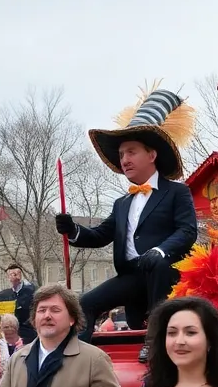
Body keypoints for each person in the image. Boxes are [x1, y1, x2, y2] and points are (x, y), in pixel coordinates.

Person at [55, 88, 199, 359]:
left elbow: (187, 231)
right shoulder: (122, 202)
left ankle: (155, 343)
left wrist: (160, 251)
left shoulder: (176, 192)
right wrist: (72, 229)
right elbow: (100, 235)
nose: (124, 160)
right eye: (121, 155)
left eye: (131, 152)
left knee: (156, 263)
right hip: (132, 276)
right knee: (86, 303)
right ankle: (76, 357)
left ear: (152, 155)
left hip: (166, 273)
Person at [0, 284, 125, 387]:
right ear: (34, 319)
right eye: (41, 310)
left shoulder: (94, 358)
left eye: (55, 310)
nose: (47, 315)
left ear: (72, 319)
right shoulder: (17, 358)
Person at [0, 263, 37, 343]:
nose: (13, 277)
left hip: (27, 333)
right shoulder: (3, 295)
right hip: (8, 334)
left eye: (16, 274)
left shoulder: (31, 292)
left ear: (21, 275)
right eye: (10, 275)